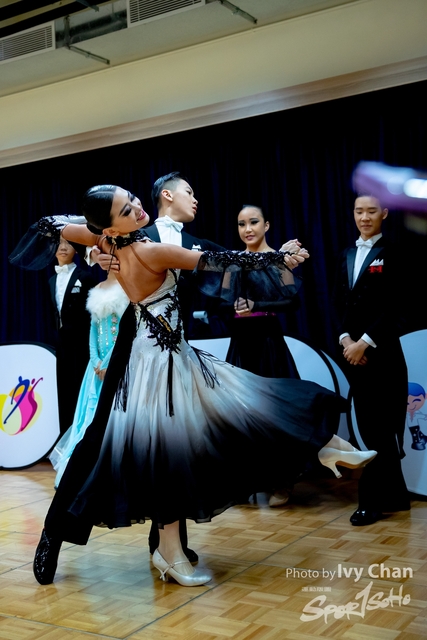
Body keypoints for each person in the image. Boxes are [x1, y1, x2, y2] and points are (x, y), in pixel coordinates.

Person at [14, 185, 376, 587]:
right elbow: (221, 261)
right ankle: (56, 535)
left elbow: (56, 224)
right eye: (125, 209)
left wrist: (99, 237)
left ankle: (172, 547)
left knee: (211, 424)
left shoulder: (133, 240)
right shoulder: (147, 247)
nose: (136, 207)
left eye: (132, 199)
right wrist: (277, 257)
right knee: (118, 447)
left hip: (168, 354)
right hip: (143, 360)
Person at [332, 194, 410, 526]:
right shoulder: (345, 254)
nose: (365, 217)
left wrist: (364, 343)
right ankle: (397, 497)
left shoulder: (395, 253)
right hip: (354, 356)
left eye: (371, 211)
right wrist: (346, 341)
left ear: (385, 213)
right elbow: (337, 304)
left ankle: (371, 502)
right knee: (369, 429)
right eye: (359, 211)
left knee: (380, 431)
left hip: (383, 355)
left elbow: (398, 307)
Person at [222, 205, 302, 507]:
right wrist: (233, 307)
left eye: (253, 222)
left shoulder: (278, 259)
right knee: (242, 412)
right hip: (241, 342)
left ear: (266, 225)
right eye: (241, 224)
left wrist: (257, 305)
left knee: (274, 410)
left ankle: (282, 481)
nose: (247, 229)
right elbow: (221, 302)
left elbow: (292, 301)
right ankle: (247, 481)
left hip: (268, 340)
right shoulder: (232, 261)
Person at [49, 271, 129, 486]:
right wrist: (96, 361)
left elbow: (125, 331)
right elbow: (93, 330)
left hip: (117, 364)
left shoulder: (128, 287)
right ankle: (79, 473)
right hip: (95, 369)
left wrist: (109, 362)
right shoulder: (97, 289)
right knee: (89, 415)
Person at [49, 239, 97, 434]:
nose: (63, 247)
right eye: (59, 243)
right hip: (61, 344)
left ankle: (82, 434)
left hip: (81, 343)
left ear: (76, 249)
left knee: (80, 388)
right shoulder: (51, 280)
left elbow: (92, 314)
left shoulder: (85, 277)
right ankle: (65, 434)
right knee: (63, 389)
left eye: (68, 244)